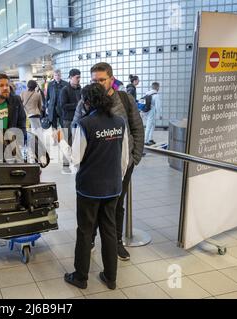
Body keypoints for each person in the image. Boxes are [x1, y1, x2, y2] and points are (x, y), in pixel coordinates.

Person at [58, 83, 129, 290]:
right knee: (109, 229)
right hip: (113, 186)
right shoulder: (119, 122)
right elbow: (123, 158)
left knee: (85, 231)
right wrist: (116, 179)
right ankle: (110, 277)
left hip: (89, 188)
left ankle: (80, 277)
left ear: (87, 102)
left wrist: (61, 141)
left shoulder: (85, 124)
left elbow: (75, 159)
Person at [84, 63, 144, 261]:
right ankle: (91, 239)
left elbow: (137, 128)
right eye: (95, 80)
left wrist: (134, 158)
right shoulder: (85, 101)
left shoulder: (126, 100)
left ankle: (116, 242)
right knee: (92, 206)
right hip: (94, 167)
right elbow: (77, 129)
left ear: (111, 79)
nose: (99, 84)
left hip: (121, 166)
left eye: (102, 80)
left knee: (117, 206)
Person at [59, 69, 82, 173]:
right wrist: (77, 105)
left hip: (79, 120)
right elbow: (63, 106)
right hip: (68, 120)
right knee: (67, 142)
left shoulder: (80, 89)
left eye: (79, 77)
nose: (79, 79)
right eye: (77, 77)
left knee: (78, 142)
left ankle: (77, 162)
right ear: (70, 77)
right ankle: (65, 164)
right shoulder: (65, 90)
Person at [45, 69, 68, 141]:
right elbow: (47, 97)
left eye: (58, 75)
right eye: (55, 75)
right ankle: (55, 139)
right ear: (53, 76)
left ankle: (65, 139)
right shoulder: (50, 84)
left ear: (60, 75)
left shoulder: (66, 84)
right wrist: (46, 107)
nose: (57, 77)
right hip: (52, 108)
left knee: (63, 125)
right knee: (54, 125)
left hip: (62, 108)